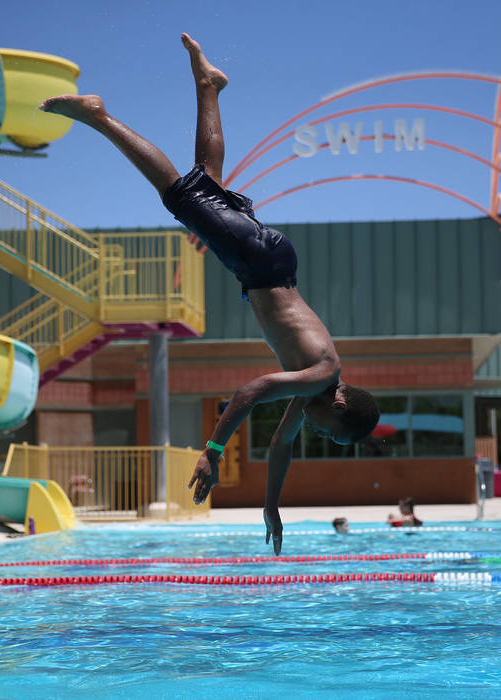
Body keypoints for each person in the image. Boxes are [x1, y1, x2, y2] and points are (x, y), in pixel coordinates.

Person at [40, 34, 379, 555]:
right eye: (333, 433)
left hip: (263, 267)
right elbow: (248, 392)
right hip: (261, 265)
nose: (321, 435)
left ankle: (208, 85)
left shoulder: (310, 392)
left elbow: (282, 446)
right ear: (339, 403)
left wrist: (271, 506)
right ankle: (99, 115)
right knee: (179, 194)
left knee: (205, 181)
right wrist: (214, 451)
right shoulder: (320, 374)